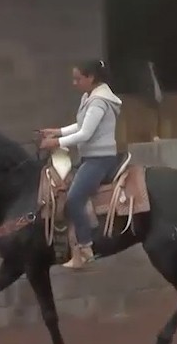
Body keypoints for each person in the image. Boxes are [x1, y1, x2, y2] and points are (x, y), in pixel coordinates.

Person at [40, 59, 123, 269]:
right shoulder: (89, 97)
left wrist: (55, 142)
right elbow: (81, 124)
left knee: (74, 199)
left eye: (78, 79)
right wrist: (58, 131)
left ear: (91, 77)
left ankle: (86, 248)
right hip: (90, 157)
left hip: (100, 159)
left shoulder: (99, 101)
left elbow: (86, 133)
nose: (74, 83)